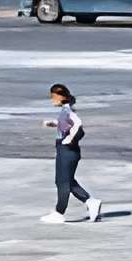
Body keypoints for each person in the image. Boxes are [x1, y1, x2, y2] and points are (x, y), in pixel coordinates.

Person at [44, 82, 95, 223]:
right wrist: (53, 123)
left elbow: (77, 124)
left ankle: (59, 213)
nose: (52, 100)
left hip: (67, 150)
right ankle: (91, 202)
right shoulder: (65, 111)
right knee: (66, 181)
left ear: (61, 97)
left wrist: (70, 139)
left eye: (54, 97)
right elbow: (65, 123)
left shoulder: (68, 111)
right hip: (64, 149)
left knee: (63, 183)